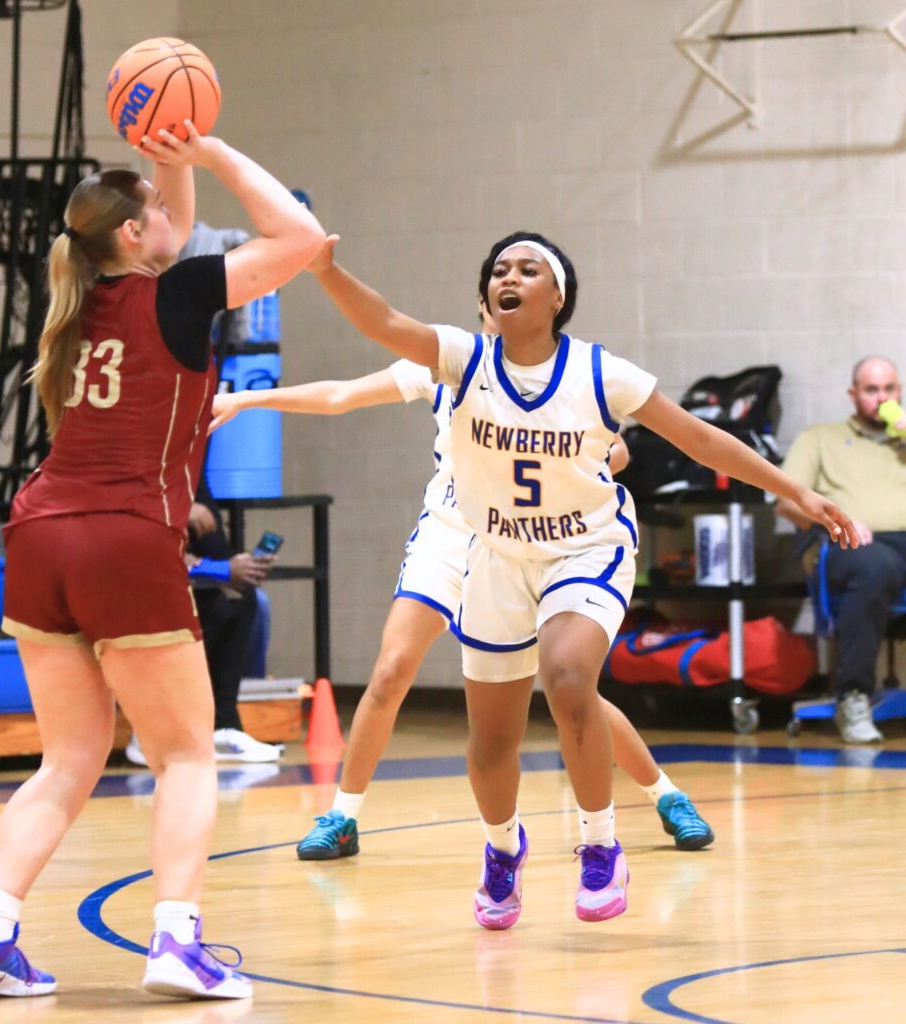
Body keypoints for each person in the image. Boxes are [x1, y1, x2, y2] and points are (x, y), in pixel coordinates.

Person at [279, 229, 855, 929]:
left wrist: (796, 493)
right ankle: (501, 851)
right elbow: (384, 324)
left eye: (527, 268)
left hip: (586, 548)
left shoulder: (600, 374)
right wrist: (328, 271)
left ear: (558, 296)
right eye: (498, 269)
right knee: (492, 740)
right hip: (495, 554)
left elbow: (701, 438)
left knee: (569, 676)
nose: (508, 277)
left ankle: (601, 844)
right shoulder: (461, 360)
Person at [0, 120, 324, 1000]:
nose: (176, 224)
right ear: (131, 234)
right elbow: (297, 239)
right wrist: (219, 151)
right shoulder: (179, 296)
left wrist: (167, 156)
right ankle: (176, 944)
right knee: (186, 754)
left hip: (39, 533)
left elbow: (174, 231)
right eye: (157, 210)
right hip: (122, 533)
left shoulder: (77, 306)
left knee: (68, 761)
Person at [212, 301, 716, 877]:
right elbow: (340, 395)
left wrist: (591, 463)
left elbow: (616, 451)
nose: (505, 308)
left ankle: (664, 794)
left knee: (571, 692)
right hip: (452, 532)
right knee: (391, 668)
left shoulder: (564, 376)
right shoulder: (449, 360)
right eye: (495, 297)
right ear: (482, 309)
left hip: (523, 541)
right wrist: (249, 398)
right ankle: (342, 816)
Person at [776, 356, 906, 744]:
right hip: (846, 543)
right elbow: (785, 502)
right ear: (853, 394)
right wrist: (838, 519)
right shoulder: (820, 437)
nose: (881, 398)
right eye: (871, 390)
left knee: (883, 563)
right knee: (875, 566)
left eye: (889, 389)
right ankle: (853, 696)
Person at [124, 471, 282, 766]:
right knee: (178, 602)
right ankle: (148, 732)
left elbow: (213, 541)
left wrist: (239, 565)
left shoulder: (190, 463)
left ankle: (223, 727)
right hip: (122, 567)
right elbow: (129, 531)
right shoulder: (136, 461)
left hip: (175, 568)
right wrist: (181, 514)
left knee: (239, 599)